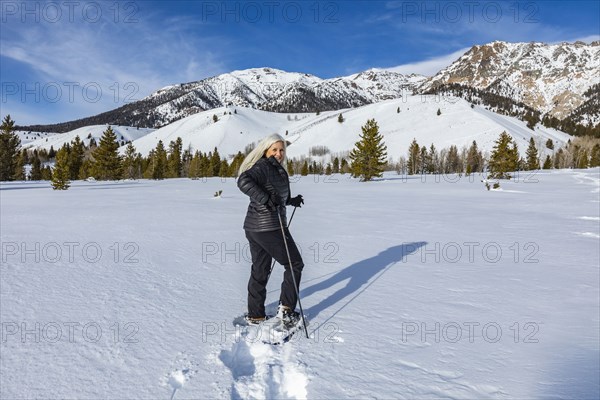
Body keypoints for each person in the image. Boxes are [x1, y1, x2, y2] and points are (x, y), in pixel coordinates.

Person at [237, 134, 305, 325]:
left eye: (281, 150)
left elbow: (275, 194)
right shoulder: (264, 166)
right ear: (266, 150)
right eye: (274, 150)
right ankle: (286, 311)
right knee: (294, 264)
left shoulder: (275, 169)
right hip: (269, 228)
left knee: (260, 270)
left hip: (254, 227)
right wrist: (266, 199)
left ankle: (256, 314)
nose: (278, 153)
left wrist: (290, 200)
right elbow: (243, 181)